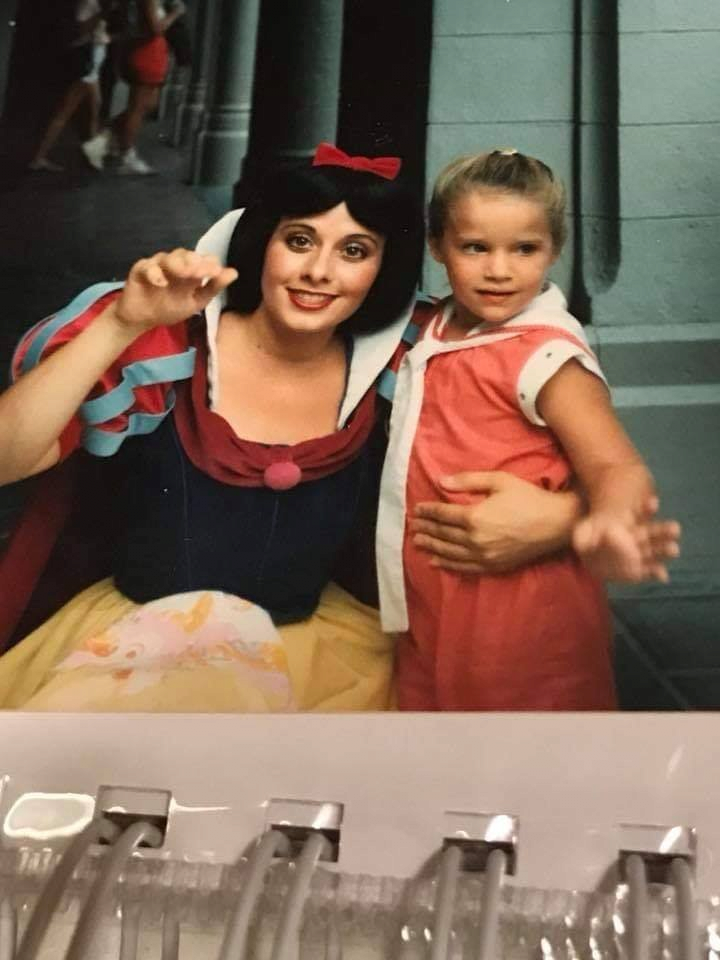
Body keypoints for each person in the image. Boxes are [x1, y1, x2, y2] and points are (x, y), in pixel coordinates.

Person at [0, 145, 678, 712]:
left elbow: (581, 457)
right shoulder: (170, 343)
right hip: (147, 645)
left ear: (385, 267)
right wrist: (122, 323)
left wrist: (565, 520)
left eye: (355, 250)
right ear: (261, 242)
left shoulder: (409, 356)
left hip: (317, 653)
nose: (320, 272)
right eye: (299, 241)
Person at [376, 148, 680, 712]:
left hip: (524, 608)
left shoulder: (546, 354)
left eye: (524, 249)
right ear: (437, 245)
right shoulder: (434, 325)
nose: (500, 270)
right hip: (433, 598)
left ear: (554, 249)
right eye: (475, 247)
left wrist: (609, 522)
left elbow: (615, 464)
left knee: (529, 740)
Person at [83, 0, 186, 174]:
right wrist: (175, 13)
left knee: (149, 104)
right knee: (137, 108)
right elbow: (156, 28)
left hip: (147, 51)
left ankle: (105, 136)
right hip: (147, 52)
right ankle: (126, 155)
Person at [29, 0, 117, 173]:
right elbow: (83, 30)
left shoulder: (95, 4)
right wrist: (103, 15)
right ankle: (38, 157)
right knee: (64, 112)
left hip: (92, 67)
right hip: (87, 67)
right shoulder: (89, 4)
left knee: (94, 107)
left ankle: (92, 154)